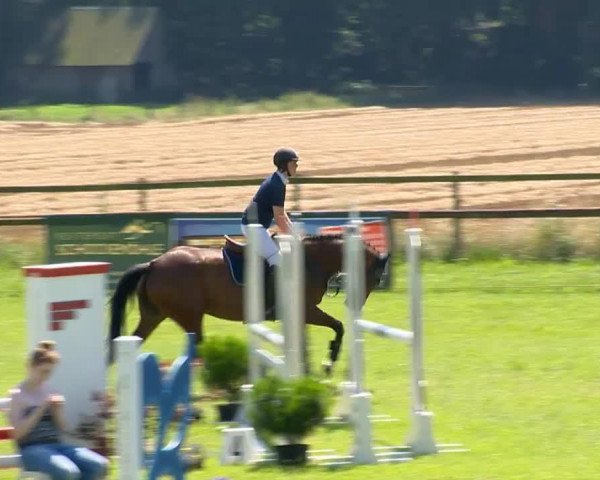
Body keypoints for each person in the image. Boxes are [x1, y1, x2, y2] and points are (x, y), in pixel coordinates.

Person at [8, 341, 109, 480]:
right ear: (30, 367)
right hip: (31, 449)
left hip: (56, 446)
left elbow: (63, 427)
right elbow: (18, 434)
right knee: (68, 472)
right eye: (43, 372)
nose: (46, 377)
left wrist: (58, 410)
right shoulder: (18, 395)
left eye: (49, 372)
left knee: (99, 465)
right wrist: (41, 408)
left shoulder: (50, 390)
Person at [241, 147, 299, 316]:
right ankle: (271, 307)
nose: (296, 166)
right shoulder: (276, 184)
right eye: (294, 163)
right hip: (254, 228)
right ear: (284, 165)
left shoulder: (278, 181)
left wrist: (295, 232)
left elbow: (282, 214)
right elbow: (279, 218)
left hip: (256, 227)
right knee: (278, 260)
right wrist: (295, 237)